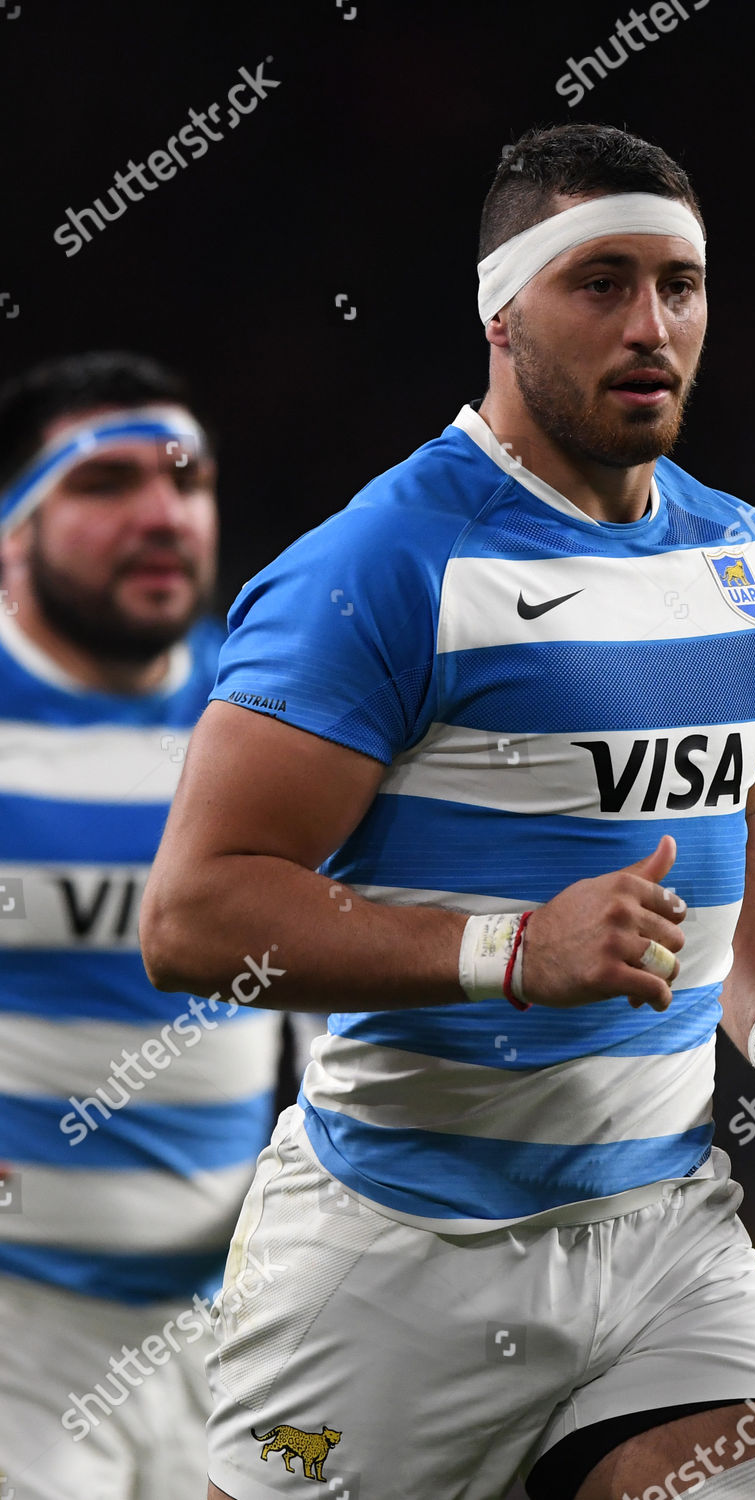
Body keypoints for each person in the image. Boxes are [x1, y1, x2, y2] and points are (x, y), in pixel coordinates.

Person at [140, 124, 755, 1500]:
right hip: (393, 1255)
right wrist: (511, 950)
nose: (651, 324)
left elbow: (742, 809)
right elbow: (193, 917)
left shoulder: (745, 557)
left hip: (665, 1236)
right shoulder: (380, 567)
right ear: (502, 309)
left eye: (680, 285)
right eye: (599, 283)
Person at [0, 352, 283, 1500]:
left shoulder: (270, 727)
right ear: (13, 528)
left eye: (186, 477)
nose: (163, 512)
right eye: (107, 483)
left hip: (240, 1342)